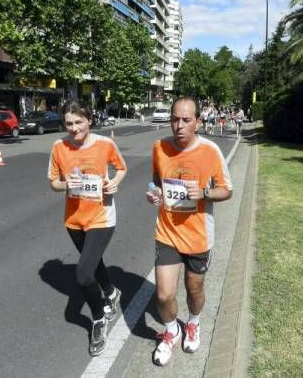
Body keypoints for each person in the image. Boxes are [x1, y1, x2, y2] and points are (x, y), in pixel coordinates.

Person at [145, 96, 233, 366]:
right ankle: (171, 331)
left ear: (197, 121)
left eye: (186, 119)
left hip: (198, 236)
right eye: (175, 119)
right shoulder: (159, 147)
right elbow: (156, 181)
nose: (179, 125)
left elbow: (227, 190)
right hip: (168, 232)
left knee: (194, 289)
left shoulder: (210, 151)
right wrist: (154, 194)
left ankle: (193, 323)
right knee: (163, 294)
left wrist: (204, 192)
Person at [47, 100, 127, 356]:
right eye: (68, 123)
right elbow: (53, 183)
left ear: (89, 120)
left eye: (78, 122)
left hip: (102, 216)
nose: (73, 128)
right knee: (93, 262)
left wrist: (114, 182)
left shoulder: (105, 145)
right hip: (74, 219)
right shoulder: (59, 147)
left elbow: (121, 168)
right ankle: (112, 293)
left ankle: (98, 318)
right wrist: (66, 185)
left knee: (83, 273)